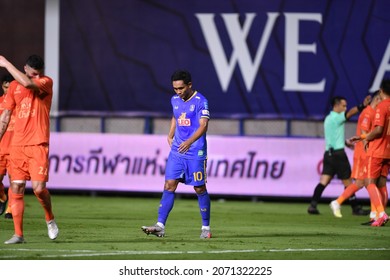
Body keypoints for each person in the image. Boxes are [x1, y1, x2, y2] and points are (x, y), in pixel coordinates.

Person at [141, 69, 212, 239]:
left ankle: (206, 228)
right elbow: (175, 116)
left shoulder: (201, 101)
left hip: (195, 151)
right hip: (177, 152)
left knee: (199, 187)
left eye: (181, 88)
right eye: (175, 89)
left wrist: (189, 142)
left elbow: (203, 126)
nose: (178, 92)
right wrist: (170, 134)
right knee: (169, 185)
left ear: (189, 85)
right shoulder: (174, 100)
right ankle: (160, 226)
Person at [0, 55, 59, 244]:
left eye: (38, 73)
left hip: (38, 144)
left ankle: (49, 218)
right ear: (25, 68)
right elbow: (5, 116)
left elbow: (26, 83)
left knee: (39, 189)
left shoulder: (45, 82)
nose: (36, 75)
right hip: (17, 146)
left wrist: (6, 64)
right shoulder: (13, 88)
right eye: (33, 72)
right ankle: (18, 235)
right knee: (16, 188)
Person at [307, 95, 372, 215]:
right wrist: (362, 106)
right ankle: (356, 208)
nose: (345, 108)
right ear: (336, 106)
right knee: (348, 183)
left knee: (323, 181)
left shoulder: (328, 118)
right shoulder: (337, 117)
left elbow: (334, 136)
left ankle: (312, 205)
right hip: (338, 155)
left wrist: (346, 144)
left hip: (328, 154)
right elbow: (350, 113)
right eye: (343, 105)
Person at [329, 91, 384, 222]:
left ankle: (338, 203)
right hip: (363, 154)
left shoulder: (374, 113)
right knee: (367, 182)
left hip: (367, 152)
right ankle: (375, 213)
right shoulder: (367, 113)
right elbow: (364, 133)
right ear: (377, 99)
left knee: (363, 182)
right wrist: (368, 149)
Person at [349, 79, 390, 227]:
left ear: (381, 91)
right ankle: (379, 217)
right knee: (381, 183)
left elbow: (378, 131)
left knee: (369, 182)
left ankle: (381, 213)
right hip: (388, 151)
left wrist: (362, 137)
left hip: (377, 149)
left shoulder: (381, 106)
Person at [0, 73, 15, 218]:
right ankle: (3, 198)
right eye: (5, 88)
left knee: (14, 180)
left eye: (10, 88)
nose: (7, 91)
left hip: (15, 150)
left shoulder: (21, 104)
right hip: (0, 149)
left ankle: (10, 209)